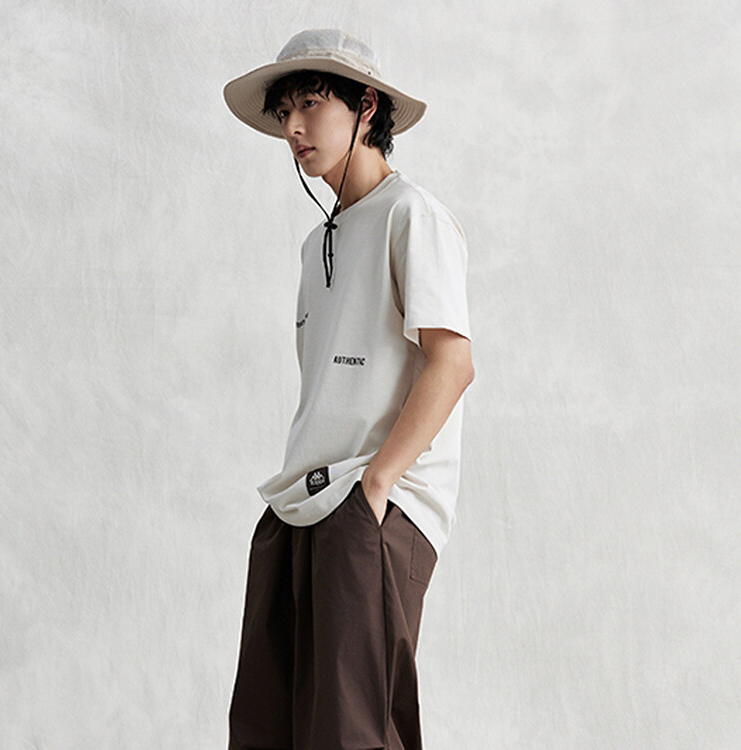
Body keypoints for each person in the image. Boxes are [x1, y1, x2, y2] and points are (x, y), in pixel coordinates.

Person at [222, 28, 474, 750]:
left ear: (366, 106)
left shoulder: (411, 214)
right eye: (284, 114)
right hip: (299, 502)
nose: (293, 128)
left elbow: (452, 363)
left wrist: (378, 485)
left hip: (372, 507)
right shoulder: (317, 244)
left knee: (352, 732)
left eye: (310, 104)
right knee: (269, 727)